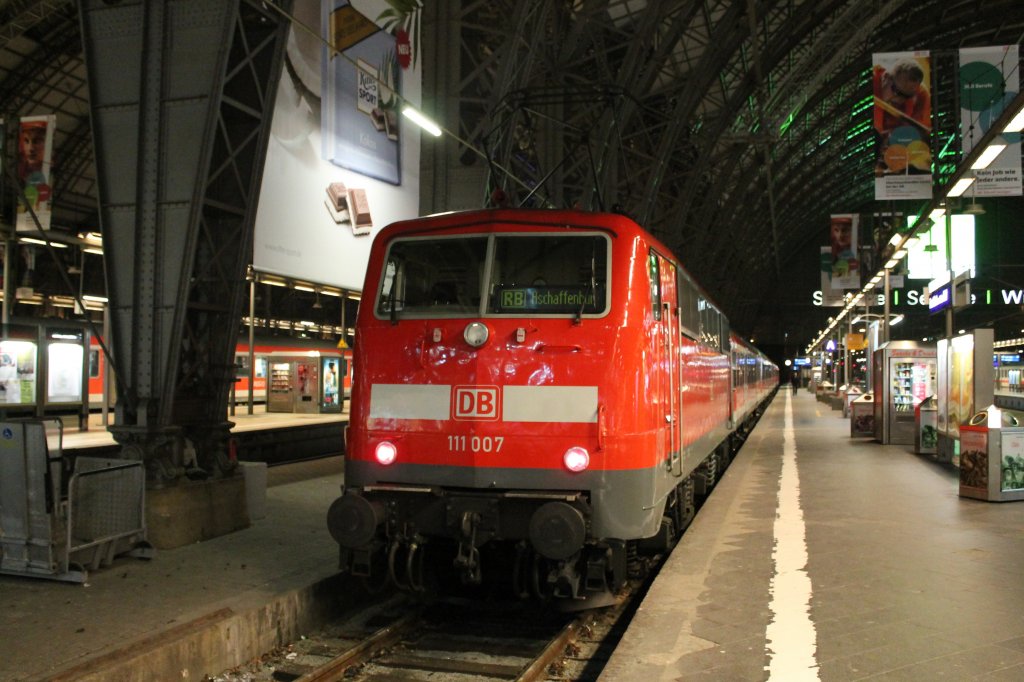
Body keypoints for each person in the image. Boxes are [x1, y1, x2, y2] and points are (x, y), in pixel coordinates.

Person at [872, 58, 931, 175]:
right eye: (896, 91)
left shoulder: (921, 95)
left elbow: (917, 135)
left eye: (906, 96)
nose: (899, 100)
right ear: (886, 77)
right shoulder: (873, 82)